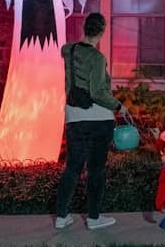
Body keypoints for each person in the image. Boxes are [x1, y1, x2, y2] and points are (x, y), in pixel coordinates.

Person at [55, 12, 128, 230]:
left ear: (84, 28)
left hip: (74, 117)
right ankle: (94, 218)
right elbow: (97, 92)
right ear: (102, 31)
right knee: (96, 169)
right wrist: (118, 106)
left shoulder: (68, 50)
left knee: (73, 168)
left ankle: (61, 217)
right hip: (98, 119)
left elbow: (67, 58)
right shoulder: (97, 58)